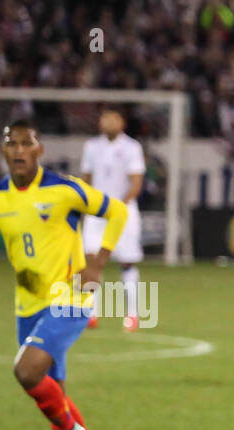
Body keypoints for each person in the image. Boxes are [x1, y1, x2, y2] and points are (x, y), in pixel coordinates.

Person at [0, 119, 127, 430]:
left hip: (70, 297)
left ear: (39, 151)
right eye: (11, 144)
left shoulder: (63, 189)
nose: (18, 150)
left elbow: (117, 211)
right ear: (3, 152)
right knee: (55, 394)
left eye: (26, 144)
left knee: (26, 371)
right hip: (28, 304)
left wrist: (98, 263)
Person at [80, 109, 146, 331]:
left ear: (122, 123)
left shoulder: (132, 147)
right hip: (96, 213)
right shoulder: (91, 147)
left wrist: (120, 206)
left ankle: (132, 315)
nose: (108, 122)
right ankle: (91, 314)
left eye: (113, 118)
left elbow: (136, 182)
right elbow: (86, 179)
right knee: (92, 261)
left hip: (123, 213)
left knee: (126, 262)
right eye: (104, 118)